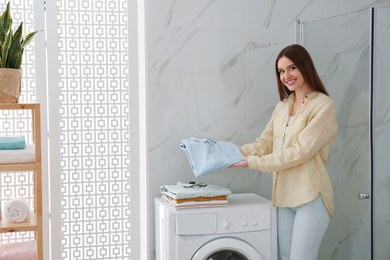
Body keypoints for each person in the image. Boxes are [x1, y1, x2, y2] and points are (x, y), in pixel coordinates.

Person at [229, 44, 338, 260]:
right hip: (283, 200)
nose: (286, 75)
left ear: (305, 67)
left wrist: (254, 163)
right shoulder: (282, 107)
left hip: (310, 200)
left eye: (292, 68)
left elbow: (300, 152)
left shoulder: (323, 106)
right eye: (281, 71)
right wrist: (227, 153)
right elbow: (264, 143)